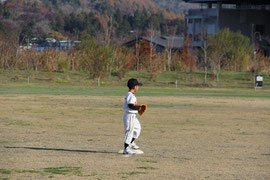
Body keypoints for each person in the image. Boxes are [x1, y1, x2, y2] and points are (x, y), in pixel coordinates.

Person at [122, 78, 143, 155]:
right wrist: (139, 107)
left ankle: (131, 142)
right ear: (134, 87)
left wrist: (138, 107)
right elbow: (131, 105)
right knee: (129, 131)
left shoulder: (131, 95)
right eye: (137, 86)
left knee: (137, 129)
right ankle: (126, 148)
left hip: (133, 115)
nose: (138, 87)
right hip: (129, 115)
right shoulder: (130, 95)